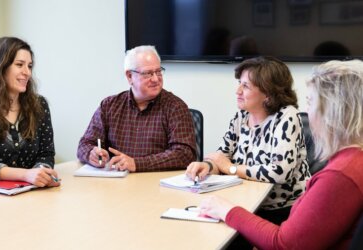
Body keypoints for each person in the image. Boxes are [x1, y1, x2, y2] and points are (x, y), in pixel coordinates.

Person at [198, 59, 363, 249]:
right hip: (250, 202)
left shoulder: (340, 175)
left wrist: (228, 210)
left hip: (275, 208)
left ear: (333, 111)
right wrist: (210, 165)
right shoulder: (350, 162)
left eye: (310, 102)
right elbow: (222, 154)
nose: (307, 111)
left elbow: (283, 244)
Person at [186, 56, 310, 226]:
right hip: (245, 203)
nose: (237, 91)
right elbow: (222, 156)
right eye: (239, 83)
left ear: (268, 93)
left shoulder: (287, 116)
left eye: (245, 86)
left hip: (282, 211)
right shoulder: (241, 116)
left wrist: (230, 168)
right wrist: (207, 166)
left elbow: (280, 172)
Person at [77, 45, 196, 172]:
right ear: (129, 76)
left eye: (158, 71)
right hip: (115, 185)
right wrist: (92, 154)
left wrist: (137, 163)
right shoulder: (109, 106)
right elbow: (85, 144)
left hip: (155, 186)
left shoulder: (175, 107)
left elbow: (184, 154)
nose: (156, 79)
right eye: (148, 73)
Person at [0, 37, 59, 187]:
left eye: (29, 66)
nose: (27, 72)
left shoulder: (40, 105)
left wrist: (41, 174)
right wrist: (25, 175)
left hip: (30, 194)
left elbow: (46, 154)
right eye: (19, 65)